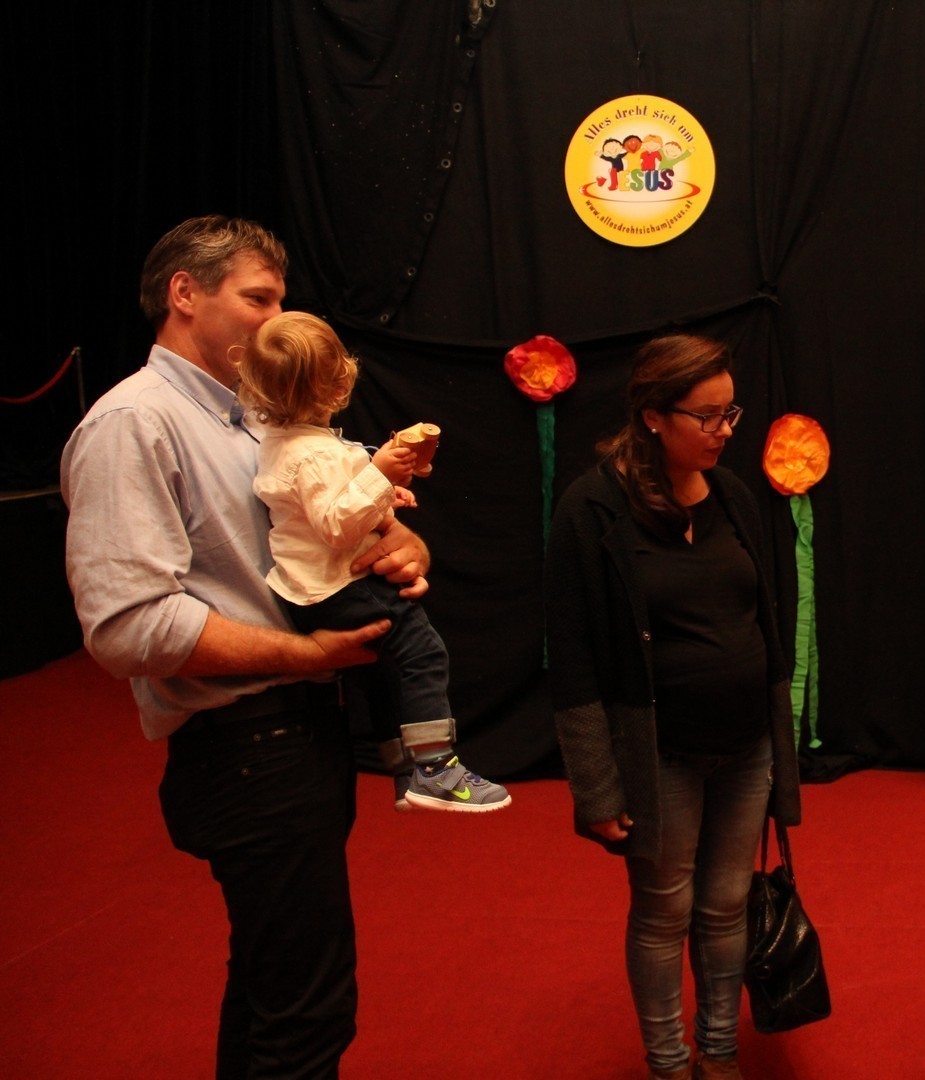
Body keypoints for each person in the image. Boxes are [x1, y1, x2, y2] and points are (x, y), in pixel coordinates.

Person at [61, 215, 431, 1078]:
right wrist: (309, 656)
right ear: (184, 294)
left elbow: (332, 538)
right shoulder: (135, 422)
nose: (277, 321)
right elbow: (127, 626)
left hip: (296, 733)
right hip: (245, 746)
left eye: (280, 302)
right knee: (306, 1013)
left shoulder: (260, 422)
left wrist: (401, 545)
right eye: (258, 299)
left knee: (277, 990)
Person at [545, 334, 802, 1080]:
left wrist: (778, 739)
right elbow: (573, 659)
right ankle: (668, 1063)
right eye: (708, 416)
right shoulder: (591, 510)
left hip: (746, 746)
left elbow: (766, 620)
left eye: (731, 414)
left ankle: (719, 1053)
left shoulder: (734, 497)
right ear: (654, 417)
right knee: (663, 911)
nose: (725, 431)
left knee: (725, 905)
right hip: (659, 754)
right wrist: (596, 789)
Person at [235, 310, 511, 811]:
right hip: (337, 584)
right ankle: (435, 769)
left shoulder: (284, 442)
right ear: (338, 384)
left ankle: (404, 770)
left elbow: (317, 507)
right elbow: (337, 525)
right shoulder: (314, 454)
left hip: (310, 587)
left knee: (384, 670)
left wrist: (383, 498)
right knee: (424, 654)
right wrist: (379, 475)